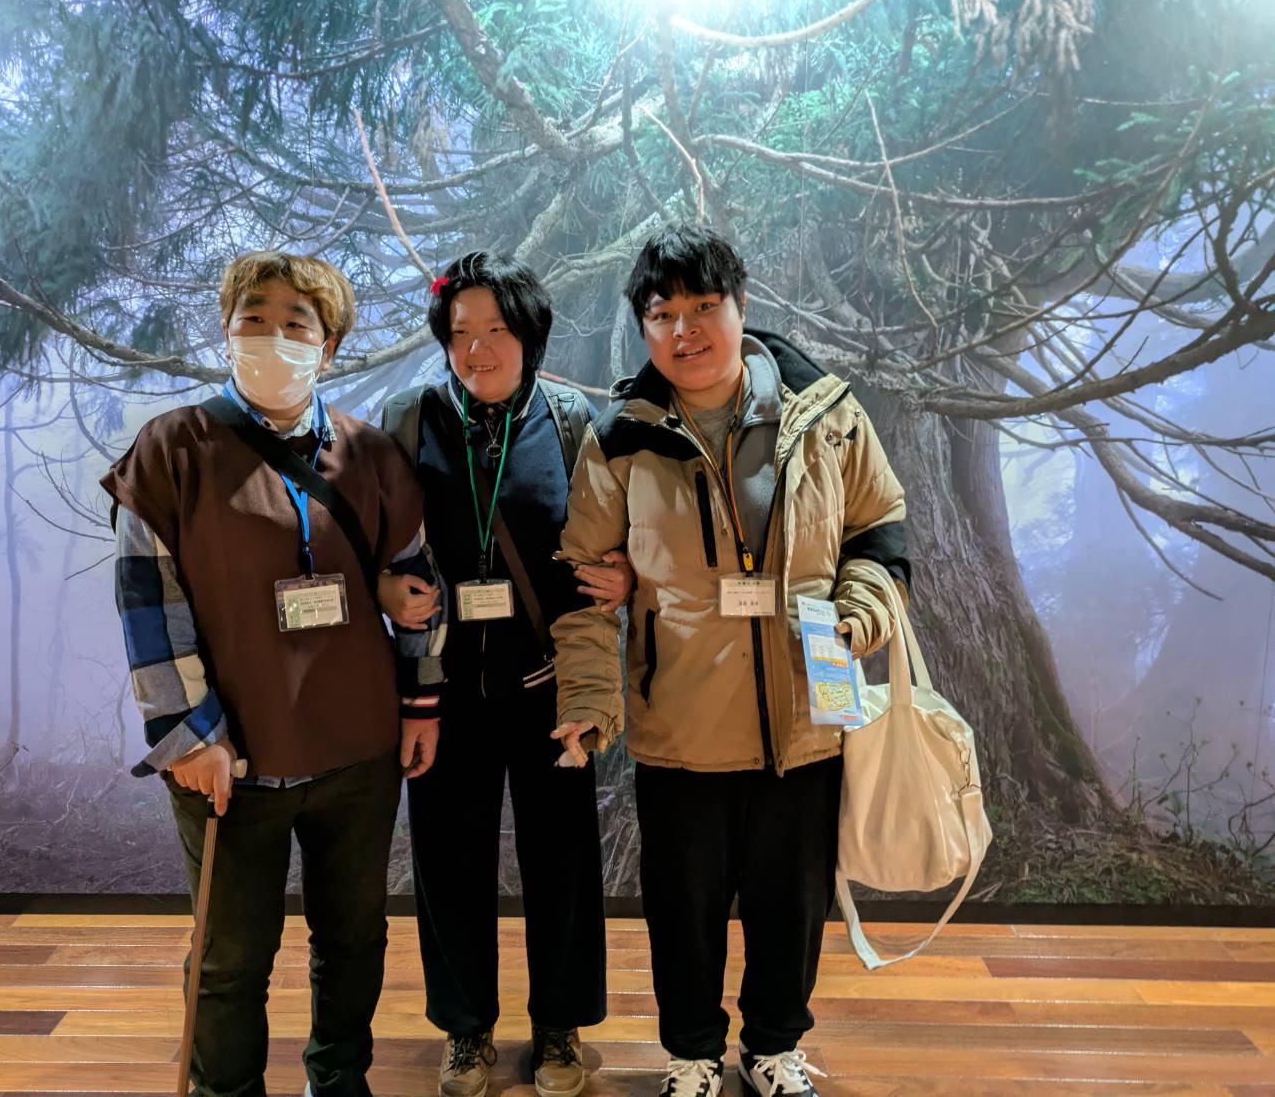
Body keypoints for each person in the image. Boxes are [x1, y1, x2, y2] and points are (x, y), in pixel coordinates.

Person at [550, 224, 911, 1097]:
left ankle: (773, 1048)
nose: (684, 330)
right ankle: (692, 1054)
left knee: (792, 905)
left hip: (805, 717)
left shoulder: (825, 415)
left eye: (703, 306)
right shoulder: (621, 438)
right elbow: (584, 582)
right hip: (680, 725)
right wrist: (591, 699)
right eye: (662, 313)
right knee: (684, 910)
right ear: (643, 328)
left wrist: (858, 615)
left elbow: (878, 531)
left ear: (741, 308)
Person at [102, 250, 443, 1097]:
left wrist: (419, 702)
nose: (272, 337)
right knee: (231, 954)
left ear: (328, 346)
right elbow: (149, 602)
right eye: (253, 319)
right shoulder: (173, 449)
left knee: (354, 936)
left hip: (357, 750)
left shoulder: (370, 455)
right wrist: (189, 735)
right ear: (225, 333)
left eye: (296, 323)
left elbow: (416, 583)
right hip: (229, 756)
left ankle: (338, 1078)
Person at [377, 251, 631, 1097]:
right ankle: (466, 1028)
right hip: (444, 688)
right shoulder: (409, 418)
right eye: (460, 333)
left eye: (496, 330)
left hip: (547, 685)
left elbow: (609, 543)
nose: (477, 349)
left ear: (529, 335)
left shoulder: (571, 420)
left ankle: (559, 1023)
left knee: (563, 859)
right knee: (448, 861)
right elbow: (377, 542)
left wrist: (626, 575)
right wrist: (382, 589)